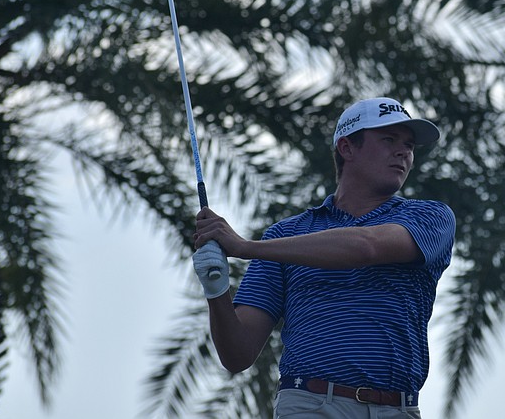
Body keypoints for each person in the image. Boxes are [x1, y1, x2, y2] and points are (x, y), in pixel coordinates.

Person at [191, 97, 456, 418]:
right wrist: (216, 288)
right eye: (389, 140)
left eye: (409, 145)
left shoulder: (430, 217)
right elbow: (238, 354)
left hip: (399, 409)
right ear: (347, 148)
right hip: (311, 406)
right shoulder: (283, 236)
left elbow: (365, 247)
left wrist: (245, 247)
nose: (404, 152)